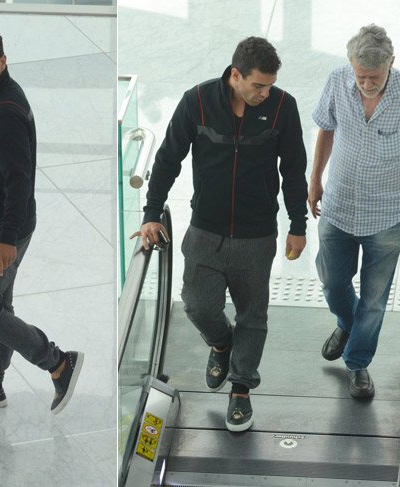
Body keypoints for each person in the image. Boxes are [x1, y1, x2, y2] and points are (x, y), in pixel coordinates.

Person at [132, 37, 308, 432]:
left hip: (257, 235)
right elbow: (167, 160)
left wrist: (299, 226)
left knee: (253, 316)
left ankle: (242, 387)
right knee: (197, 305)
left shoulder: (283, 107)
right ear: (235, 76)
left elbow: (294, 170)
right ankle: (221, 343)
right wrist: (150, 212)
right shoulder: (196, 101)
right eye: (258, 85)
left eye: (269, 85)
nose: (265, 93)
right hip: (205, 230)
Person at [309, 24, 400, 398]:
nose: (366, 83)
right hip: (338, 206)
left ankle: (357, 363)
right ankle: (346, 321)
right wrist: (315, 180)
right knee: (330, 281)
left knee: (374, 299)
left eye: (374, 76)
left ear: (392, 63)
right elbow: (325, 129)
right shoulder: (338, 81)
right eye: (361, 76)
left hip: (386, 217)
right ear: (350, 66)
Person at [0, 27, 83, 414]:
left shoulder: (5, 112)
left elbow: (19, 180)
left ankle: (58, 362)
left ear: (3, 61)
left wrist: (6, 238)